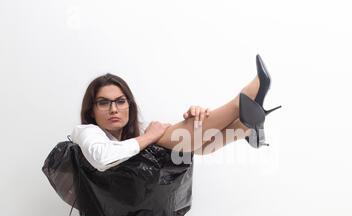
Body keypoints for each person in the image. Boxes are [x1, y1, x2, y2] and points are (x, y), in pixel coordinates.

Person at [71, 55, 280, 172]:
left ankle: (243, 126)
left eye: (120, 101)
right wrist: (150, 137)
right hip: (117, 210)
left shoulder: (134, 136)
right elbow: (101, 158)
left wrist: (196, 117)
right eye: (104, 103)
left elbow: (190, 145)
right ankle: (241, 107)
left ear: (129, 106)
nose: (114, 109)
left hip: (141, 205)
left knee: (190, 144)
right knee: (162, 135)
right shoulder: (85, 131)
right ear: (92, 111)